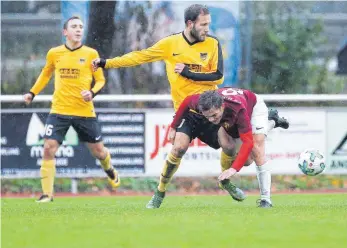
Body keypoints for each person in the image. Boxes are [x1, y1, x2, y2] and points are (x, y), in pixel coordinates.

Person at [91, 4, 246, 208]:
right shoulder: (170, 44)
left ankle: (225, 181)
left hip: (211, 110)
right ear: (190, 24)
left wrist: (188, 73)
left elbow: (218, 75)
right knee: (178, 148)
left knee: (228, 146)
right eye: (203, 24)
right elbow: (139, 56)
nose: (208, 28)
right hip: (187, 112)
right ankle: (160, 192)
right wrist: (106, 63)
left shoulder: (212, 43)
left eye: (208, 24)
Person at [23, 16, 120, 203]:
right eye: (74, 26)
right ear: (65, 32)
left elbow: (101, 80)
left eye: (81, 27)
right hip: (59, 110)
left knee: (99, 152)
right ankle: (47, 195)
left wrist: (91, 93)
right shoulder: (54, 53)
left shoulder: (91, 54)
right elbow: (45, 74)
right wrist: (31, 93)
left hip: (84, 111)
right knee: (48, 149)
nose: (78, 29)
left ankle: (109, 169)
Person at [171, 87, 289, 208]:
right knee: (247, 161)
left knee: (256, 149)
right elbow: (186, 101)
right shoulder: (203, 104)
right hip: (232, 117)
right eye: (207, 116)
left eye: (214, 115)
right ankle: (271, 122)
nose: (211, 120)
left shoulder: (238, 110)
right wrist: (173, 127)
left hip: (253, 109)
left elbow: (248, 143)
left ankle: (266, 200)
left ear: (222, 106)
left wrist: (233, 169)